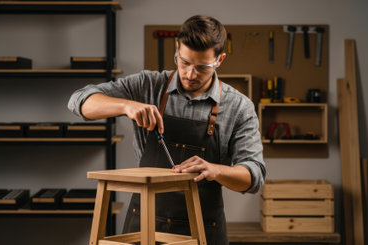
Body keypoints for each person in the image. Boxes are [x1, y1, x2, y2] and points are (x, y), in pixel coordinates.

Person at [68, 15, 266, 245]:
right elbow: (78, 101)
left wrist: (215, 170)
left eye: (202, 67)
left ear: (219, 60)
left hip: (204, 232)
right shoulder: (148, 85)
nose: (190, 74)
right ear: (177, 50)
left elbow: (254, 176)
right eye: (184, 62)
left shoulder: (239, 107)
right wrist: (126, 105)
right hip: (143, 228)